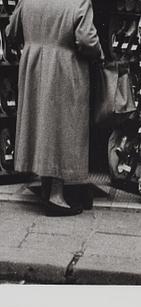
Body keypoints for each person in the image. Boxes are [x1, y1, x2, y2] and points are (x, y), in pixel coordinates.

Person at [6, 0, 104, 216]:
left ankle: (46, 187)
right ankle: (56, 196)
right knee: (61, 126)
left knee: (42, 125)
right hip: (64, 67)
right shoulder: (78, 2)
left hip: (33, 66)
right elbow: (87, 39)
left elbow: (11, 29)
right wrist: (99, 53)